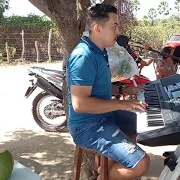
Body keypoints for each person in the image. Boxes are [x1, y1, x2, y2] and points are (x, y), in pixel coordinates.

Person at [66, 4, 150, 180]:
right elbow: (80, 104)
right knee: (141, 163)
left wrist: (124, 89)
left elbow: (98, 87)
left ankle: (106, 170)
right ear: (97, 28)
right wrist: (121, 103)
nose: (118, 31)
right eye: (114, 26)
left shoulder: (100, 52)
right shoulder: (84, 56)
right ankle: (104, 177)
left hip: (104, 116)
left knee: (141, 123)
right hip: (87, 126)